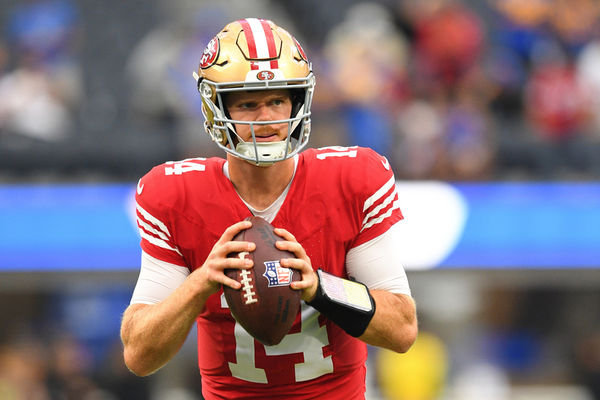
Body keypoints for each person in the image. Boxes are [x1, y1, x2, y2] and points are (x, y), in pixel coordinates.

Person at [120, 18, 418, 400]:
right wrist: (200, 283)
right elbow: (139, 353)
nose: (267, 119)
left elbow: (402, 329)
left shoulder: (351, 180)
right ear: (216, 107)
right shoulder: (176, 194)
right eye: (248, 104)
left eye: (277, 100)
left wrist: (319, 287)